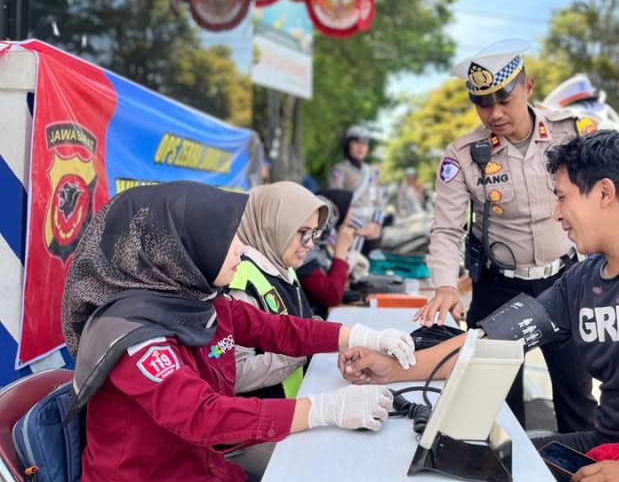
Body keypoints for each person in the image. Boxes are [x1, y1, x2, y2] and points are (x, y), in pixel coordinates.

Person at [340, 130, 619, 480]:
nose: (556, 214)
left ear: (604, 192)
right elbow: (490, 343)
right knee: (471, 464)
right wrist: (395, 367)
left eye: (561, 197)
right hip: (607, 446)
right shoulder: (582, 281)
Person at [61, 181, 415, 481]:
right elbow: (201, 415)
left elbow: (280, 330)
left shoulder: (196, 301)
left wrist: (362, 336)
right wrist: (323, 409)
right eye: (227, 240)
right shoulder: (130, 334)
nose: (242, 250)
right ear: (183, 247)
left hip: (203, 464)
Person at [414, 39, 596, 432]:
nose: (494, 113)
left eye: (504, 100)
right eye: (482, 103)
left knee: (577, 396)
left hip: (564, 284)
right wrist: (445, 286)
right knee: (496, 403)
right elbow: (445, 229)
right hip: (499, 289)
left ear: (528, 88)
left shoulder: (572, 133)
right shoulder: (463, 154)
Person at [228, 181, 325, 400]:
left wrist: (318, 330)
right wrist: (304, 347)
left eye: (314, 233)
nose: (309, 243)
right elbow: (236, 373)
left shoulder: (283, 266)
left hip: (292, 415)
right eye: (301, 232)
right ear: (271, 227)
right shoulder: (241, 281)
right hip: (266, 427)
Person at [296, 188, 358, 318]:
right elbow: (332, 295)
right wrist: (341, 251)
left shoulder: (322, 244)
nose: (353, 213)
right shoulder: (302, 250)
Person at [329, 124, 384, 254]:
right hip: (350, 230)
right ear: (349, 145)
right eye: (357, 143)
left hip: (372, 231)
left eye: (365, 144)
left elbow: (379, 202)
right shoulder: (340, 170)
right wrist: (356, 228)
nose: (361, 148)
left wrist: (376, 224)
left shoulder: (372, 172)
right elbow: (335, 201)